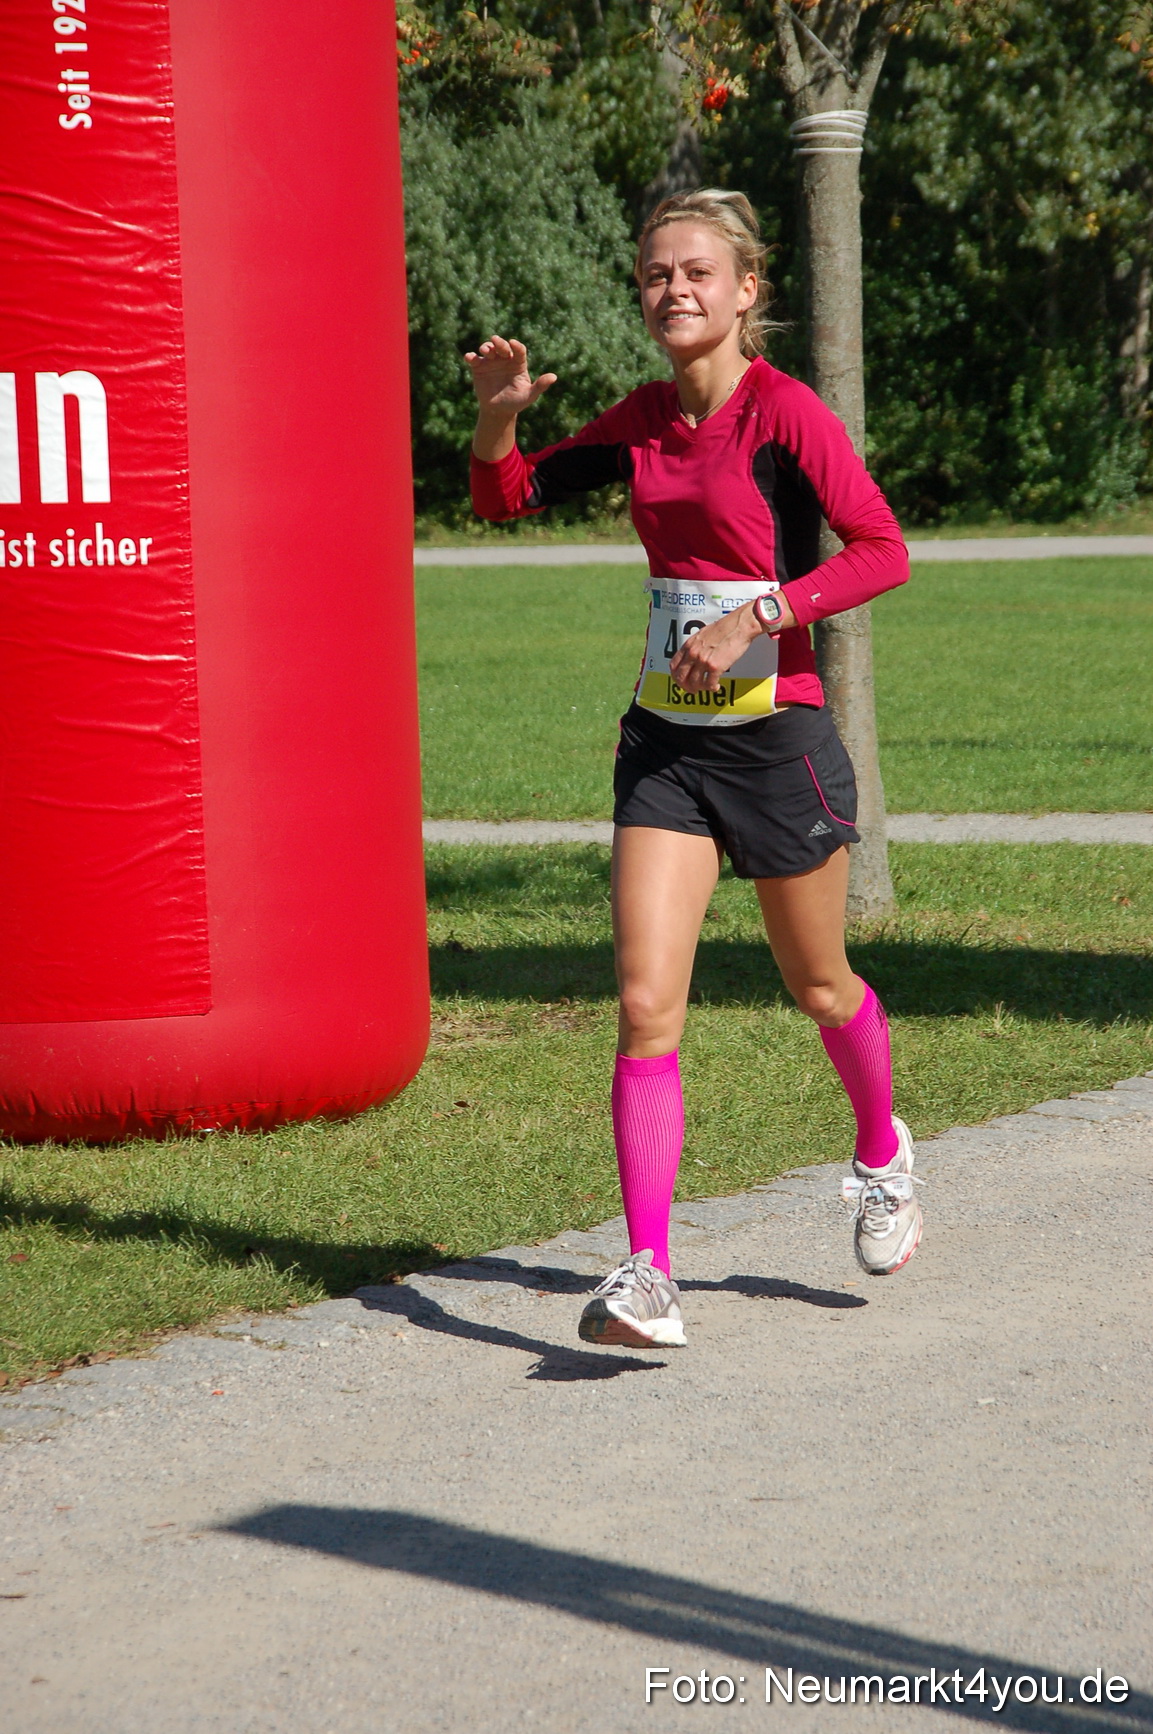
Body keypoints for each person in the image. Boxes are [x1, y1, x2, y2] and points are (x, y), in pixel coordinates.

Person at [466, 188, 922, 1350]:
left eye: (697, 272)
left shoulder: (786, 414)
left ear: (746, 290)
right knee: (642, 1002)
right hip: (668, 744)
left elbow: (883, 551)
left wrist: (763, 613)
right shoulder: (639, 418)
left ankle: (880, 1152)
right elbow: (505, 496)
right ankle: (648, 1274)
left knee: (818, 986)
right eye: (656, 273)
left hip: (777, 741)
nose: (674, 289)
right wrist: (495, 420)